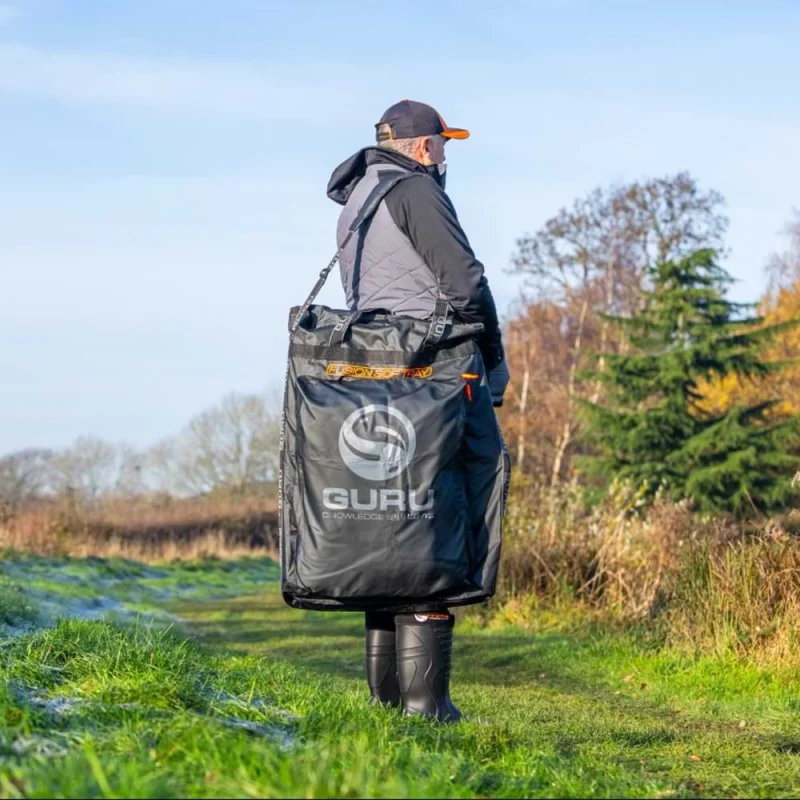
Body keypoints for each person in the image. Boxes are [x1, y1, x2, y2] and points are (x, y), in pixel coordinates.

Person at [325, 99, 510, 722]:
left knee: (392, 522)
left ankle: (385, 704)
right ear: (424, 145)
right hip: (433, 371)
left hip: (374, 372)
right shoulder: (416, 191)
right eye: (443, 142)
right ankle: (429, 705)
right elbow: (464, 282)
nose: (446, 152)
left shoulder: (359, 199)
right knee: (439, 513)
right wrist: (494, 357)